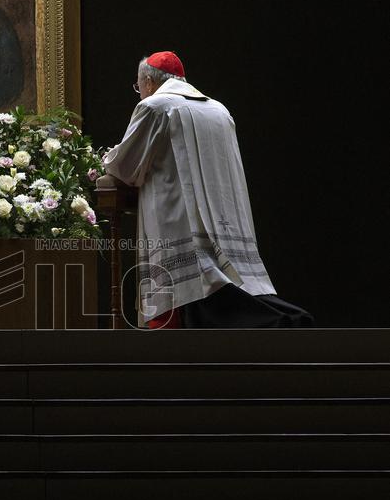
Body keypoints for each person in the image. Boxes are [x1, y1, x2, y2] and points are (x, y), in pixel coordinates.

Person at [103, 51, 314, 329]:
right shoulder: (219, 110)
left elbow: (125, 166)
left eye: (138, 87)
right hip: (224, 221)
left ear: (149, 82)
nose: (139, 93)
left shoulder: (155, 106)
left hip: (178, 220)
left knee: (200, 297)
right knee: (226, 288)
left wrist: (106, 159)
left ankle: (287, 323)